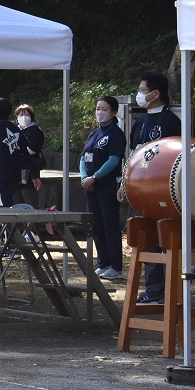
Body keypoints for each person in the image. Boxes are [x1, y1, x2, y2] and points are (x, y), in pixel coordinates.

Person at [128, 71, 181, 303]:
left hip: (164, 190)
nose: (139, 95)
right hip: (140, 190)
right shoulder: (139, 121)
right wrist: (124, 182)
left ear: (156, 93)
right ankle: (153, 289)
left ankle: (172, 291)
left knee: (168, 239)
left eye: (142, 91)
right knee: (147, 236)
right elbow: (132, 155)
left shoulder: (171, 121)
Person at [80, 96, 127, 281]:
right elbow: (84, 157)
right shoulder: (94, 133)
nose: (100, 112)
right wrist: (85, 178)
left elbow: (114, 160)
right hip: (91, 186)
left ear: (113, 112)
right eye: (98, 108)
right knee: (96, 225)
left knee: (110, 225)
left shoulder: (115, 133)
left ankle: (115, 266)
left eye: (104, 109)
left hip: (106, 185)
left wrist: (95, 177)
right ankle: (103, 263)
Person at [15, 103, 46, 207]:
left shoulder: (36, 131)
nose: (23, 117)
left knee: (30, 203)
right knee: (15, 204)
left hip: (30, 172)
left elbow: (33, 149)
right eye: (20, 114)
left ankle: (34, 223)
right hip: (15, 172)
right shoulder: (14, 131)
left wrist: (16, 152)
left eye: (26, 114)